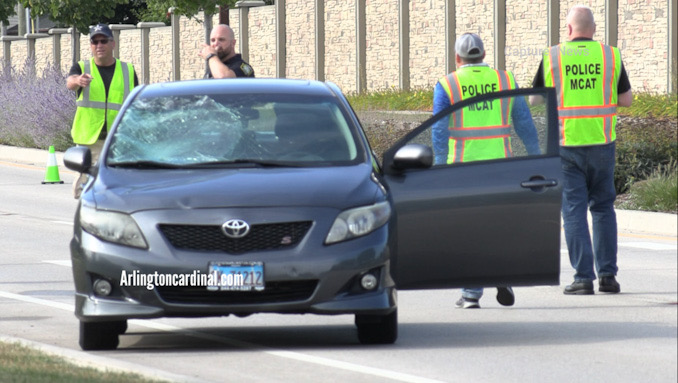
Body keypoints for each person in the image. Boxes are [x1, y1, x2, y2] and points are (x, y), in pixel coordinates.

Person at [432, 33, 541, 309]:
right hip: (501, 165)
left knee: (469, 231)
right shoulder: (505, 80)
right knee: (498, 226)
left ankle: (471, 293)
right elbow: (524, 121)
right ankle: (500, 272)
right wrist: (536, 156)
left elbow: (439, 129)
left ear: (457, 58)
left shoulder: (448, 84)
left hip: (464, 168)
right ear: (483, 55)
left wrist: (439, 165)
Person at [531, 6, 632, 295]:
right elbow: (626, 100)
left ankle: (583, 278)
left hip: (567, 145)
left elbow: (536, 99)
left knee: (573, 210)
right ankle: (608, 277)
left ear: (569, 29)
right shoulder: (610, 55)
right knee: (602, 208)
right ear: (594, 30)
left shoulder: (553, 56)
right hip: (602, 144)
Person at [66, 23, 139, 199]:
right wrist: (78, 82)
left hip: (118, 139)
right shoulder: (82, 68)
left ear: (112, 44)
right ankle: (87, 215)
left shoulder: (127, 70)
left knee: (114, 186)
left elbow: (136, 103)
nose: (99, 45)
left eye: (103, 41)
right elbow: (70, 82)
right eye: (95, 42)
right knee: (84, 186)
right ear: (91, 45)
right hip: (90, 139)